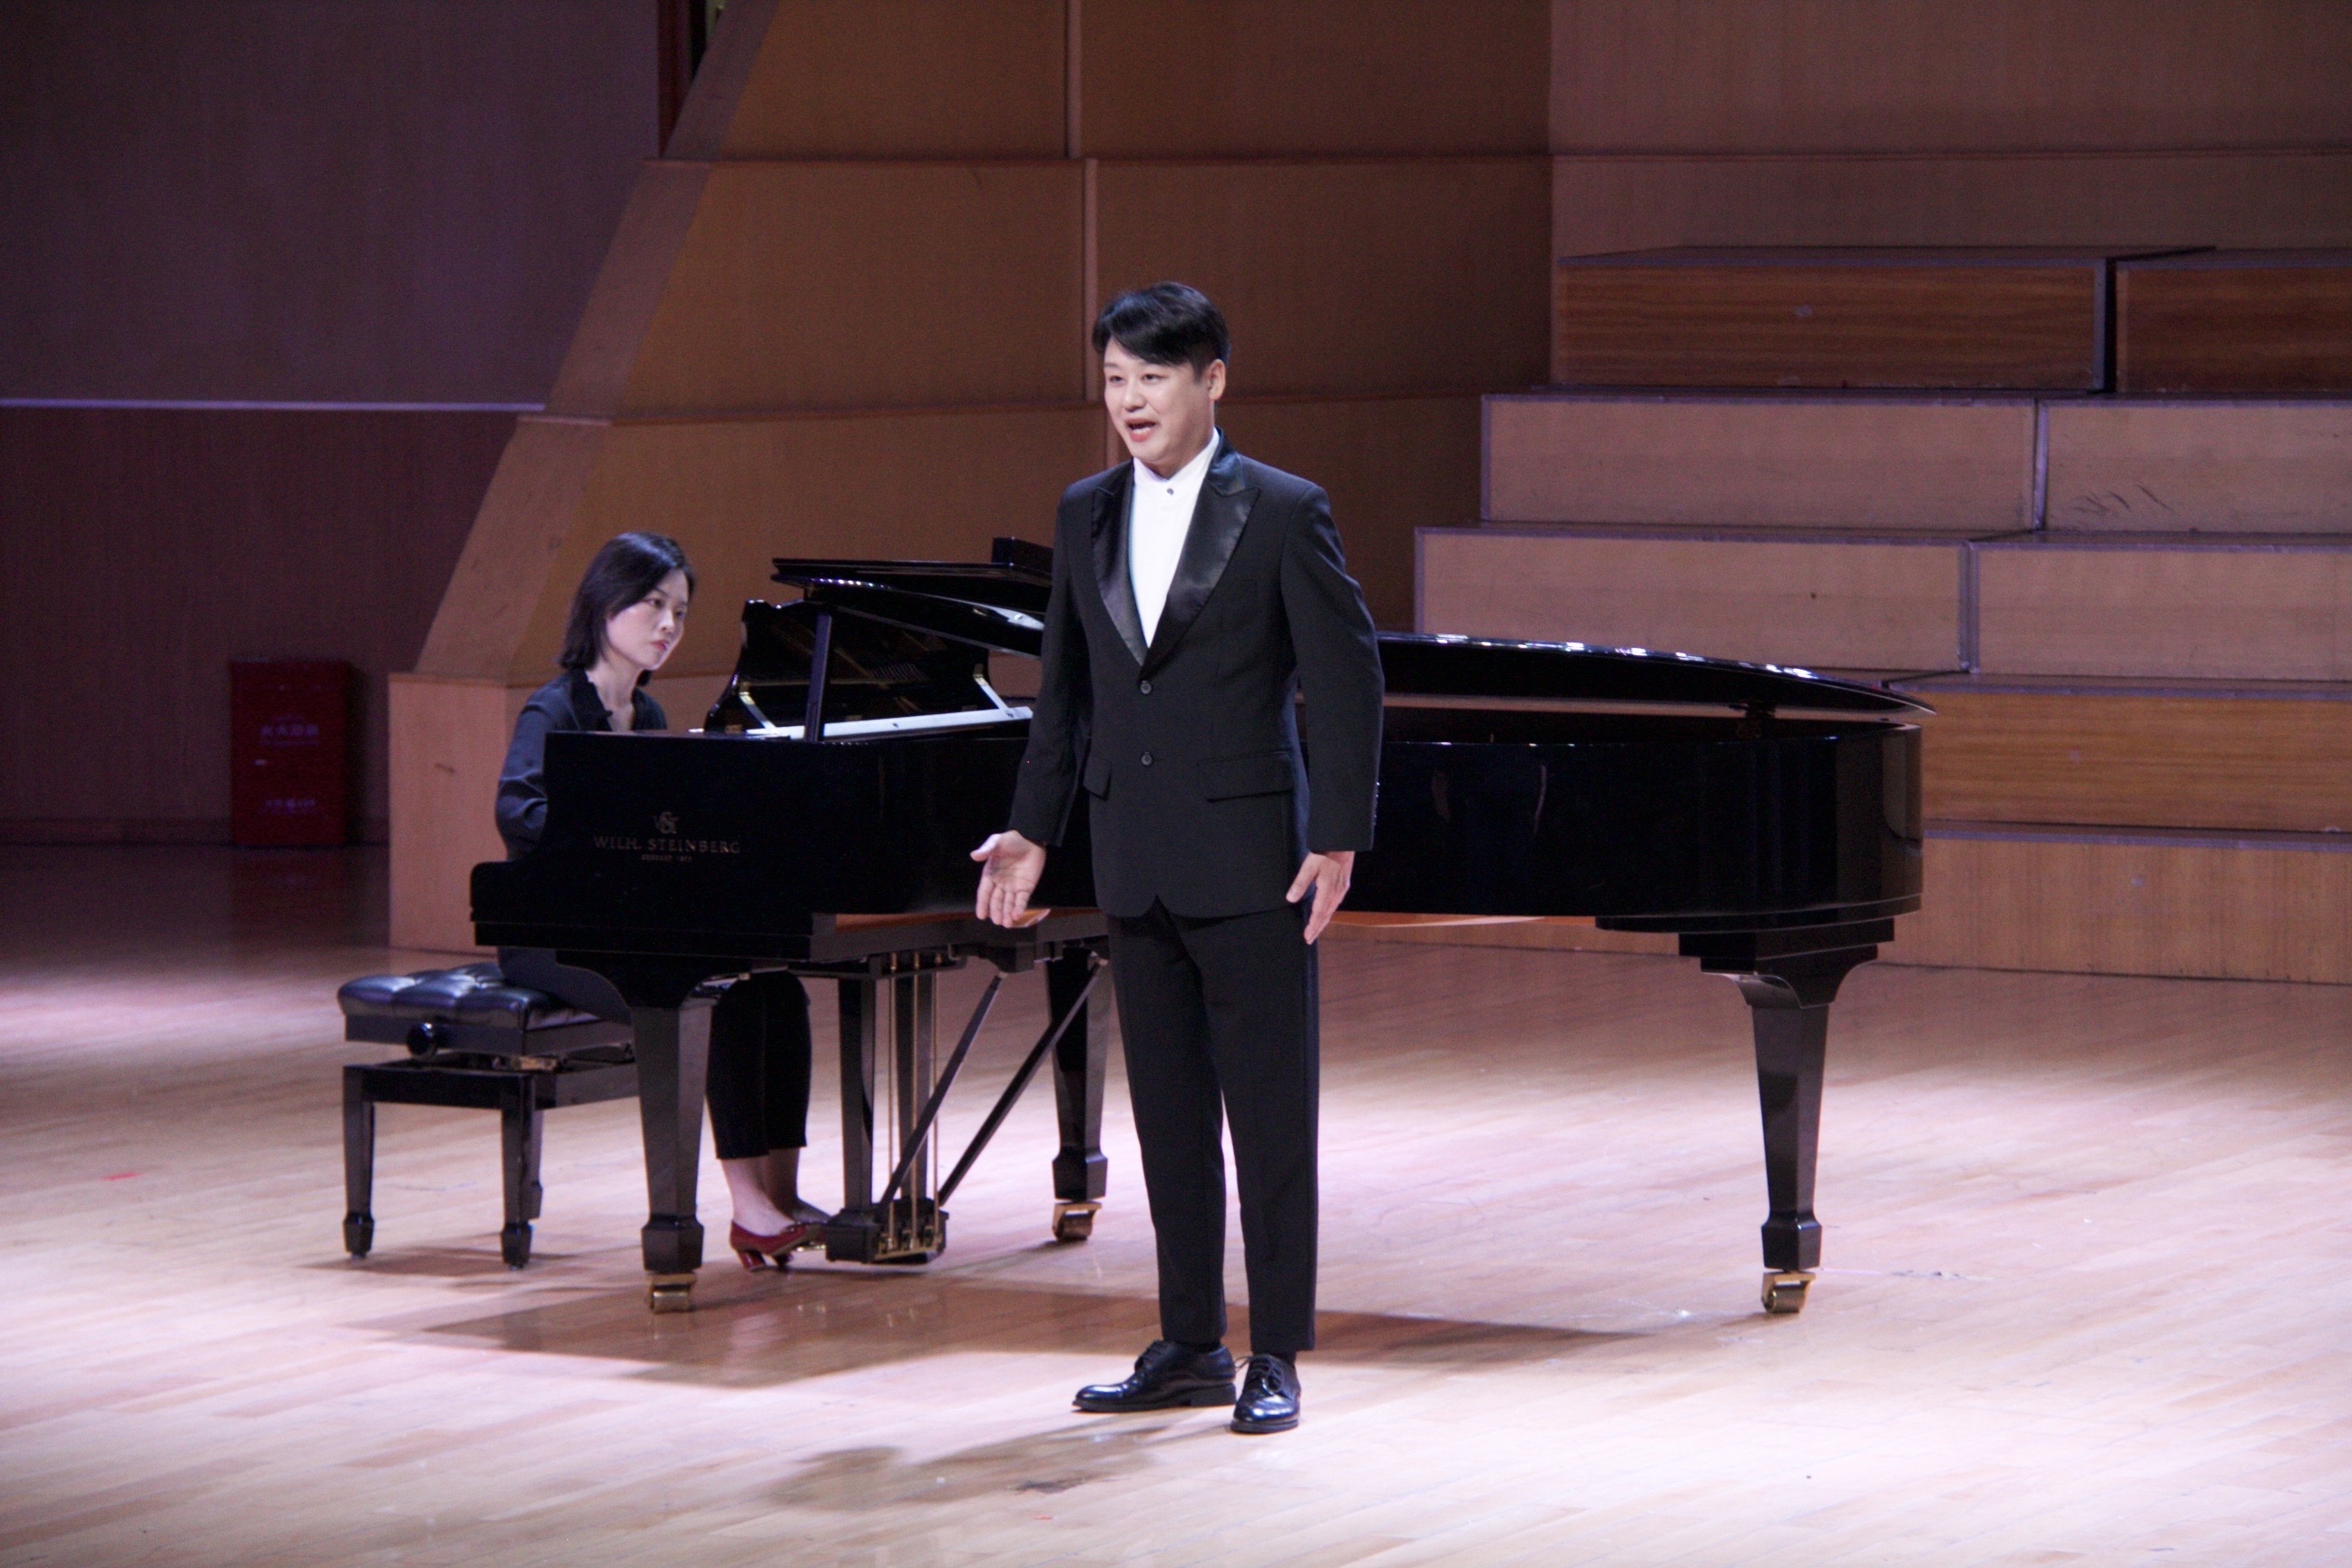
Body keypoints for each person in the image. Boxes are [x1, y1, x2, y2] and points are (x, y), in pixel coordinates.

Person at [971, 283, 1384, 1435]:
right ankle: (1191, 1342)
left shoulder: (1284, 509)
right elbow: (1065, 692)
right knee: (1166, 1115)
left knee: (1271, 1118)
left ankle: (1276, 1351)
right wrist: (1035, 826)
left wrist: (1337, 833)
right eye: (1115, 379)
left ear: (1212, 381)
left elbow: (1347, 680)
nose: (1130, 400)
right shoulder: (1085, 510)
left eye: (1152, 377)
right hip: (1133, 855)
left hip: (1255, 858)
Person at [495, 531, 825, 1271]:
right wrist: (607, 836)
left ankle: (782, 1194)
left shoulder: (644, 714)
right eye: (653, 604)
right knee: (717, 997)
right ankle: (747, 1205)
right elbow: (517, 811)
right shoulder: (553, 711)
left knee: (778, 990)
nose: (669, 625)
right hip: (553, 938)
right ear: (604, 603)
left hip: (628, 927)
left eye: (679, 610)